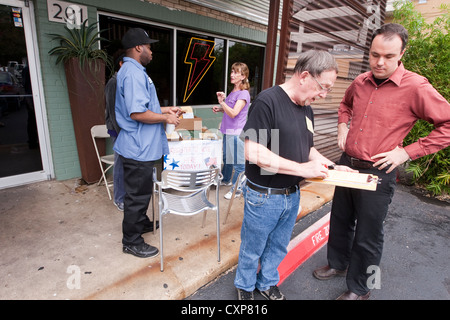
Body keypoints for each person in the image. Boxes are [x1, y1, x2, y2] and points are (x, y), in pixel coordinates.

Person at [313, 23, 450, 300]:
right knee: (340, 220)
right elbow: (345, 105)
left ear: (402, 53)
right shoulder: (361, 81)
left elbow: (447, 124)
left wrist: (407, 152)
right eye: (375, 54)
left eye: (388, 56)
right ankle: (338, 264)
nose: (379, 62)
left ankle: (360, 288)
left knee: (368, 233)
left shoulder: (416, 87)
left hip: (378, 172)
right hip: (347, 164)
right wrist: (342, 125)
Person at [235, 50, 356, 300]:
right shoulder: (267, 101)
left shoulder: (305, 108)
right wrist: (302, 169)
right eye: (323, 87)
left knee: (279, 246)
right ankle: (245, 286)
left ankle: (266, 282)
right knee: (253, 247)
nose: (323, 95)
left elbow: (307, 148)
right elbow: (253, 151)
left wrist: (332, 167)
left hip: (291, 194)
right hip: (264, 196)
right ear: (304, 76)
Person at [114, 28, 180, 258]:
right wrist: (166, 118)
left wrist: (164, 109)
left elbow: (144, 107)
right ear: (139, 48)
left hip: (141, 146)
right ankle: (131, 241)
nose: (151, 51)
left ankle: (140, 223)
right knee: (137, 196)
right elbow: (136, 113)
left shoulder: (135, 71)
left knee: (141, 192)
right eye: (149, 47)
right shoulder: (132, 74)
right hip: (138, 148)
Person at [213, 62, 251, 200]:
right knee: (226, 158)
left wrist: (222, 102)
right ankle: (226, 180)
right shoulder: (234, 91)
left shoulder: (243, 93)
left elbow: (234, 113)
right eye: (232, 71)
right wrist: (221, 108)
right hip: (227, 130)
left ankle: (237, 189)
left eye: (236, 72)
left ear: (243, 76)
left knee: (239, 164)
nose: (232, 75)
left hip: (235, 133)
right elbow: (231, 109)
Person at [105, 53, 125, 211]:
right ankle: (119, 199)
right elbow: (112, 111)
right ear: (121, 64)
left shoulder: (125, 81)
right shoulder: (114, 82)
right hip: (117, 131)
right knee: (120, 165)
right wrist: (122, 132)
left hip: (125, 130)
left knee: (126, 164)